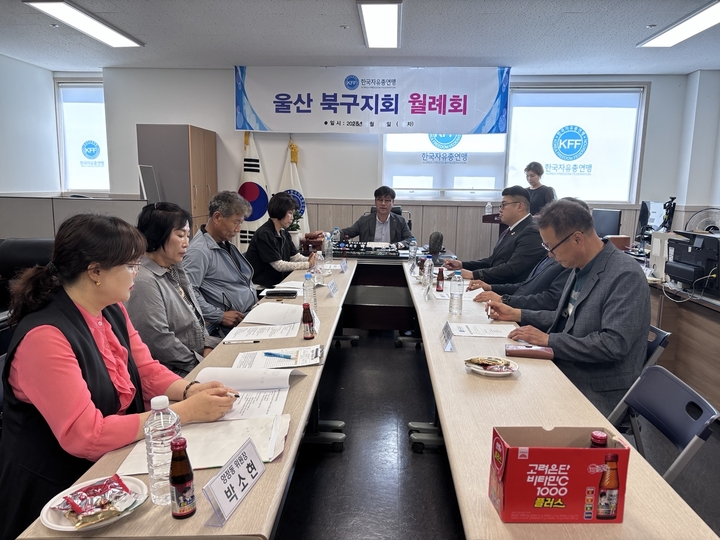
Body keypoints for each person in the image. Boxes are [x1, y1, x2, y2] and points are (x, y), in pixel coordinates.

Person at [0, 214, 236, 540]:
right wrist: (184, 413)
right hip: (55, 493)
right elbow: (86, 435)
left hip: (109, 470)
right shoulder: (45, 337)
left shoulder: (110, 307)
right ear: (95, 272)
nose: (137, 273)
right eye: (130, 265)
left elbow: (146, 369)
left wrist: (190, 390)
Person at [486, 199, 650, 416]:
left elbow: (613, 344)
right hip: (566, 367)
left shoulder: (625, 275)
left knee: (504, 402)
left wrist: (549, 340)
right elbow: (571, 319)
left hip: (595, 388)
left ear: (577, 239)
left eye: (551, 247)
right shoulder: (581, 266)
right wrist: (518, 314)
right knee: (495, 379)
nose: (549, 255)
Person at [125, 202, 220, 377]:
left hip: (196, 357)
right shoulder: (144, 280)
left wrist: (208, 345)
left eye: (188, 236)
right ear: (157, 235)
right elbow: (158, 341)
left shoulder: (174, 267)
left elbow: (195, 319)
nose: (186, 243)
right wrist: (200, 361)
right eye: (180, 235)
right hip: (174, 371)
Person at [183, 191, 258, 336]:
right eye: (236, 222)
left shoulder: (224, 242)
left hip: (247, 314)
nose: (238, 229)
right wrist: (219, 316)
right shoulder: (199, 251)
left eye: (240, 223)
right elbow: (187, 293)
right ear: (217, 217)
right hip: (226, 326)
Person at [444, 185, 546, 284]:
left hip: (507, 290)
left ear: (520, 206)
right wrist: (462, 265)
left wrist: (474, 275)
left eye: (504, 205)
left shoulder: (532, 231)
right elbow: (492, 261)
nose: (500, 209)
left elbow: (513, 268)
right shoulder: (511, 229)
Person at [245, 192, 319, 288]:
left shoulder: (283, 233)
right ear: (280, 211)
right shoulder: (264, 234)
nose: (292, 218)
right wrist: (308, 264)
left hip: (280, 282)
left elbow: (295, 257)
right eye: (290, 213)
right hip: (262, 286)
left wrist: (311, 259)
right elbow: (278, 265)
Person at [467, 255, 570, 311]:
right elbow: (525, 286)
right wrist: (490, 287)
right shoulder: (548, 256)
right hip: (514, 311)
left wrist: (504, 300)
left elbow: (550, 300)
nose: (550, 253)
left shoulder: (566, 262)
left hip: (529, 321)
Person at [339, 186, 412, 246]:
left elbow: (410, 239)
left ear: (393, 202)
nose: (383, 203)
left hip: (392, 257)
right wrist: (333, 234)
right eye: (380, 200)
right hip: (369, 257)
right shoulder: (364, 220)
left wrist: (399, 245)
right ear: (375, 202)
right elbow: (347, 232)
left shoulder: (400, 221)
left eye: (387, 200)